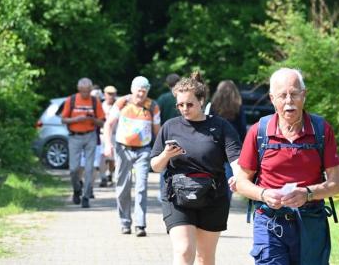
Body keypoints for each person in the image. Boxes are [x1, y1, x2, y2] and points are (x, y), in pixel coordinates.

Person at [235, 68, 339, 265]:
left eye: (294, 94)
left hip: (310, 222)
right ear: (272, 99)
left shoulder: (321, 130)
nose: (288, 101)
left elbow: (337, 184)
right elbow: (241, 182)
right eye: (282, 95)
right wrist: (263, 194)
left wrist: (307, 194)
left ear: (304, 95)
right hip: (268, 222)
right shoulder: (259, 131)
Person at [150, 71, 242, 265]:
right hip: (177, 197)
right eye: (180, 105)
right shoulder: (170, 126)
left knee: (204, 257)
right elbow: (155, 166)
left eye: (189, 104)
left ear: (201, 100)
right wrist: (166, 155)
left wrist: (239, 177)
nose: (184, 109)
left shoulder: (221, 126)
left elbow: (236, 159)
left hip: (213, 196)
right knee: (183, 251)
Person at [103, 76, 160, 237]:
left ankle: (140, 225)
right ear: (132, 89)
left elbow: (157, 131)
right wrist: (108, 144)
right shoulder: (122, 103)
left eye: (144, 91)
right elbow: (108, 125)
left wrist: (162, 150)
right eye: (138, 90)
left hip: (143, 150)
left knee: (141, 186)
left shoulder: (153, 106)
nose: (141, 94)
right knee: (123, 187)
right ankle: (125, 222)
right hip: (123, 149)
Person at [61, 78, 105, 208]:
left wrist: (92, 119)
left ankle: (86, 197)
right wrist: (76, 119)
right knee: (73, 168)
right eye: (83, 91)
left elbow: (102, 122)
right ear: (78, 89)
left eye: (88, 91)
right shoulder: (72, 100)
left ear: (91, 90)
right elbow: (63, 119)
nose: (85, 94)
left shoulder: (94, 101)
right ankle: (76, 189)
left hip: (90, 135)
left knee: (89, 168)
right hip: (75, 136)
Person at [209, 80, 247, 199]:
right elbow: (242, 126)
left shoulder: (213, 105)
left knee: (215, 174)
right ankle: (225, 199)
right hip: (233, 144)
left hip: (216, 144)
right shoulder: (238, 106)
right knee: (230, 176)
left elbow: (209, 124)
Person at [100, 85, 118, 186]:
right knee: (102, 157)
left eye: (113, 94)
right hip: (103, 134)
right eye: (109, 94)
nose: (111, 96)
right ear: (105, 94)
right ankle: (103, 177)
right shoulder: (101, 106)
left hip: (115, 134)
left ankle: (110, 174)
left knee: (113, 158)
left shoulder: (118, 105)